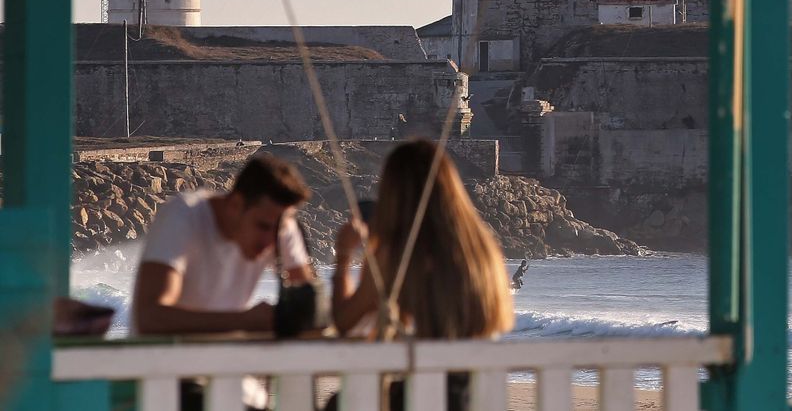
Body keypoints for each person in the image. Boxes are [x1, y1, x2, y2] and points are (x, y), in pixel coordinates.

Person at [328, 139, 512, 411]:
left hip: (424, 398)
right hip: (472, 398)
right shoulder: (483, 249)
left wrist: (344, 256)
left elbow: (345, 321)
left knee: (339, 404)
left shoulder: (397, 253)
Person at [133, 154, 314, 411]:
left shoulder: (277, 224)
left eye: (278, 231)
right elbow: (150, 316)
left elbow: (309, 302)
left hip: (227, 375)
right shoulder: (184, 217)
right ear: (236, 205)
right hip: (167, 378)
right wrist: (246, 321)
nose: (268, 244)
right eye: (262, 227)